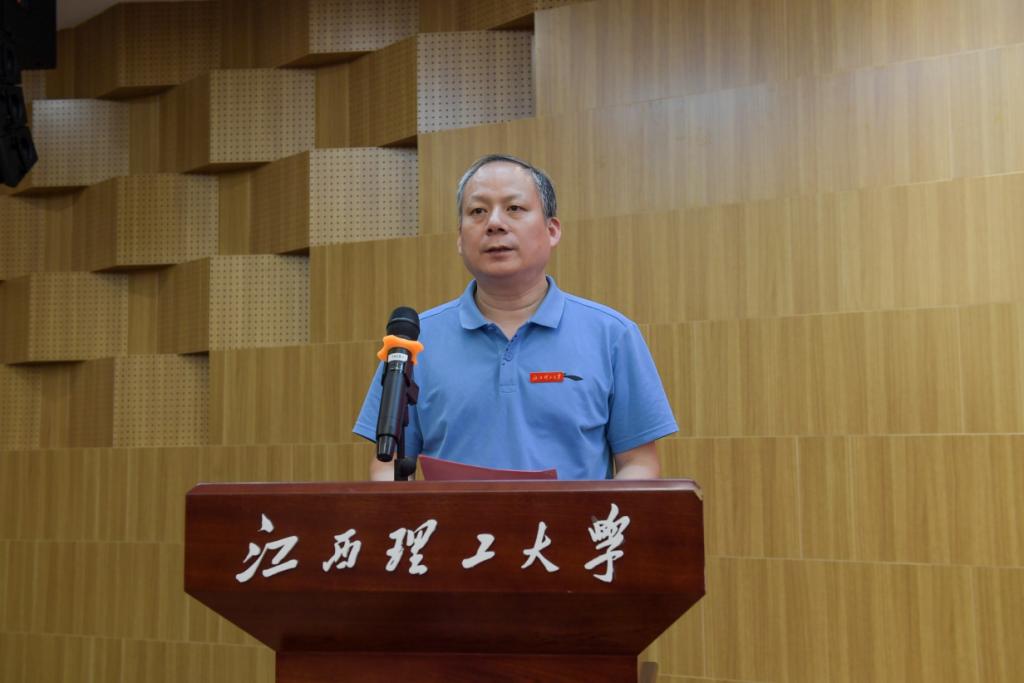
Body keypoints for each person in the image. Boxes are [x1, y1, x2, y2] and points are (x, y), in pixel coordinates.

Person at [353, 154, 677, 480]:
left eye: (514, 208)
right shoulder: (414, 341)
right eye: (477, 211)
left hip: (574, 517)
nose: (494, 223)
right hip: (453, 518)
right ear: (460, 238)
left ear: (552, 230)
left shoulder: (612, 335)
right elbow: (388, 464)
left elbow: (639, 463)